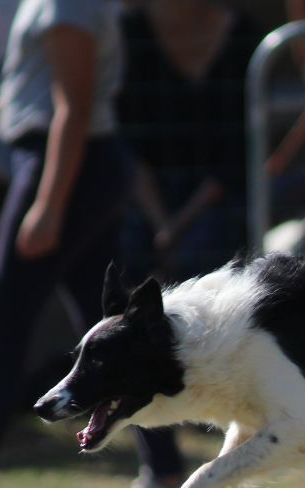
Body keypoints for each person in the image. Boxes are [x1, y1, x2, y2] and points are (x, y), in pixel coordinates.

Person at [0, 0, 187, 488]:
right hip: (71, 164)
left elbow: (75, 103)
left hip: (62, 169)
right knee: (116, 334)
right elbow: (49, 90)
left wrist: (47, 206)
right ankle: (164, 474)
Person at [116, 0, 263, 283]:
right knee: (126, 251)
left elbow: (237, 152)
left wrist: (178, 225)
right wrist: (161, 223)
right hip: (149, 197)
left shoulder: (243, 35)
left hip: (217, 197)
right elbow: (128, 146)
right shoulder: (130, 35)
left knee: (203, 255)